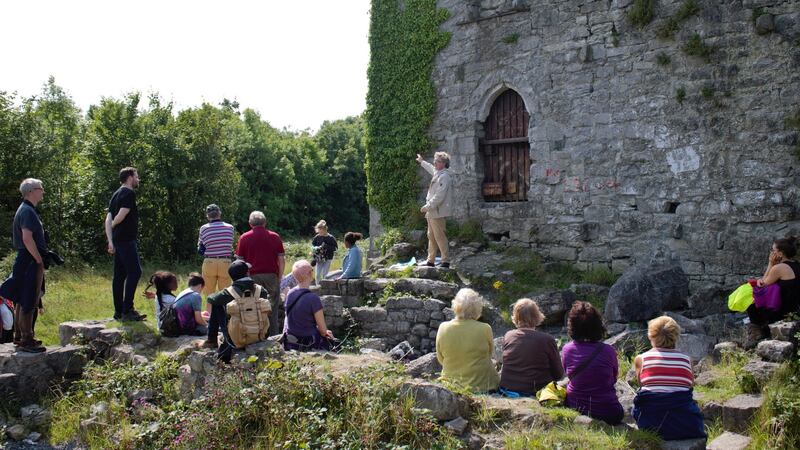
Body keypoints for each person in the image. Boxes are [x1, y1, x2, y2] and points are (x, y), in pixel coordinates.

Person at [632, 316, 706, 441]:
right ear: (676, 335)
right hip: (686, 424)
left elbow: (641, 383)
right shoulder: (687, 360)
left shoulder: (641, 359)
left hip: (650, 422)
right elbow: (690, 384)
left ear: (651, 336)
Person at [1, 179, 49, 352]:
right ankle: (26, 340)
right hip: (29, 259)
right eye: (40, 188)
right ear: (31, 191)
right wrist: (38, 259)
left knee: (22, 298)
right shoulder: (28, 211)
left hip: (25, 258)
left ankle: (20, 336)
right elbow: (27, 238)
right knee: (29, 299)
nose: (43, 191)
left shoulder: (27, 209)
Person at [561, 301, 623, 424]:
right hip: (608, 412)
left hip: (575, 407)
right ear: (598, 325)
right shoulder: (608, 351)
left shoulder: (567, 349)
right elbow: (613, 379)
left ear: (572, 326)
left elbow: (568, 374)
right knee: (619, 412)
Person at [206, 260, 271, 361]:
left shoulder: (226, 294)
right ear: (247, 273)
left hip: (235, 340)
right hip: (260, 336)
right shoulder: (261, 291)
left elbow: (211, 299)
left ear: (231, 277)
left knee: (217, 305)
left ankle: (212, 339)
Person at [435, 288, 499, 392]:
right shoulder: (485, 328)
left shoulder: (443, 327)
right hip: (484, 386)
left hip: (451, 386)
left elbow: (440, 358)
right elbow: (489, 354)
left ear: (455, 305)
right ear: (477, 307)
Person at [499, 299, 564, 396]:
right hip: (536, 392)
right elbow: (558, 374)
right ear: (537, 316)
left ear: (516, 317)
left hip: (507, 390)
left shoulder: (508, 336)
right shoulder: (547, 340)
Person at [105, 167, 145, 321]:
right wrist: (114, 227)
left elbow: (108, 219)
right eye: (137, 176)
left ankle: (118, 312)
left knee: (119, 276)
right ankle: (127, 309)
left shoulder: (115, 194)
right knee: (135, 272)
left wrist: (110, 240)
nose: (138, 179)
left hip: (117, 240)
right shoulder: (128, 193)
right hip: (126, 240)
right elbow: (120, 216)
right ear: (130, 177)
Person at [235, 211, 284, 336]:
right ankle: (274, 336)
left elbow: (239, 261)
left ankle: (256, 335)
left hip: (251, 277)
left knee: (253, 307)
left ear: (250, 224)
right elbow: (281, 259)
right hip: (271, 275)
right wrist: (279, 277)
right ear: (265, 222)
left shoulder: (244, 238)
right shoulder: (274, 236)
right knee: (272, 308)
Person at [746, 236, 800, 343]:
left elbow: (762, 285)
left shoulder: (779, 268)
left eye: (773, 250)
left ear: (780, 253)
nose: (771, 253)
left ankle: (759, 334)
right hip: (796, 308)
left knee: (751, 304)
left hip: (784, 312)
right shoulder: (797, 265)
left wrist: (770, 264)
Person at [197, 204, 235, 346]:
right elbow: (230, 245)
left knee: (209, 294)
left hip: (210, 262)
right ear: (219, 213)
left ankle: (210, 322)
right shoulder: (230, 227)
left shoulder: (204, 228)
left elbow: (201, 249)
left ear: (208, 215)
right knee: (225, 294)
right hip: (225, 261)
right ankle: (225, 321)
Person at [282, 260, 335, 351]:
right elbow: (322, 331)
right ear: (309, 274)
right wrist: (327, 332)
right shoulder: (313, 298)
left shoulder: (290, 293)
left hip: (291, 341)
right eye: (312, 271)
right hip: (309, 341)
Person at [416, 152, 453, 268]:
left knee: (440, 236)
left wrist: (427, 206)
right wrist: (422, 161)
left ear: (444, 163)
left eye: (437, 161)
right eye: (435, 161)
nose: (435, 163)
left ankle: (445, 261)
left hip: (437, 211)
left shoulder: (444, 176)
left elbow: (439, 196)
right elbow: (431, 168)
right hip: (432, 211)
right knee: (431, 236)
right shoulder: (438, 173)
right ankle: (430, 260)